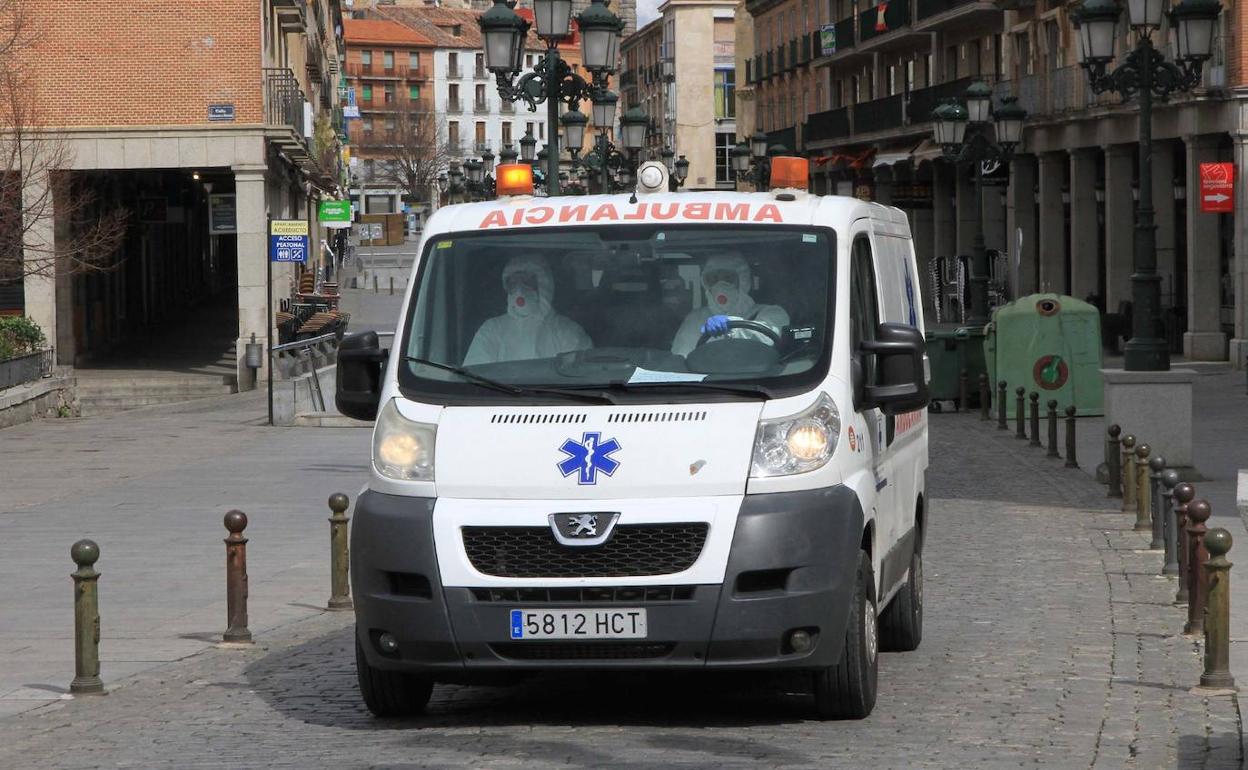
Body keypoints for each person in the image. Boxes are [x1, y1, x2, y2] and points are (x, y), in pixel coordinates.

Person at [463, 254, 592, 365]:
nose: (520, 290)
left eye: (527, 281)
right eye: (513, 283)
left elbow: (582, 378)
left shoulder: (568, 332)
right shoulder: (491, 330)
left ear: (544, 284)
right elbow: (476, 377)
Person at [671, 253, 789, 357]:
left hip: (755, 380)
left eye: (728, 278)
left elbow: (766, 338)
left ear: (743, 280)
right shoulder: (696, 318)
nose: (720, 285)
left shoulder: (771, 312)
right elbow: (681, 357)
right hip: (705, 381)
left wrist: (730, 326)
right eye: (713, 279)